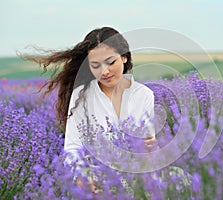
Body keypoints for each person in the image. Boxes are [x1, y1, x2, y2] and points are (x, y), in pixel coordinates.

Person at [23, 27, 157, 192]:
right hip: (95, 183)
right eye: (96, 65)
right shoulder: (82, 95)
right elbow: (72, 148)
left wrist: (150, 148)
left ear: (124, 57)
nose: (104, 71)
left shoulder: (144, 95)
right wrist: (81, 178)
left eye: (110, 62)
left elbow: (147, 147)